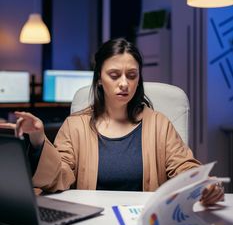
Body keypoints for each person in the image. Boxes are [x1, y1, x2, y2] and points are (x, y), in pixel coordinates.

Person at [0, 38, 224, 205]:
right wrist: (38, 139)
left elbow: (183, 165)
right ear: (99, 79)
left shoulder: (158, 123)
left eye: (132, 75)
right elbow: (59, 176)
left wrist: (203, 184)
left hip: (142, 222)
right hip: (89, 223)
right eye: (115, 75)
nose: (124, 83)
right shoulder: (75, 125)